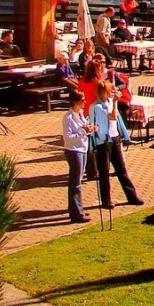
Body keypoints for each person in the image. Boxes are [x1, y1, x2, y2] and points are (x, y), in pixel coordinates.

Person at [88, 80, 144, 209]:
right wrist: (115, 102)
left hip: (115, 139)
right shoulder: (97, 107)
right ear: (102, 92)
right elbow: (112, 116)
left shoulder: (108, 102)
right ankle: (106, 201)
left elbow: (116, 118)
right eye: (108, 91)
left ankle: (132, 196)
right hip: (103, 142)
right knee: (104, 172)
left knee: (121, 170)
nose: (111, 93)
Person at [62, 91, 96, 223]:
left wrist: (90, 129)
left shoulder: (80, 114)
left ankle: (79, 209)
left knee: (79, 181)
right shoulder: (68, 118)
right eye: (82, 100)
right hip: (74, 151)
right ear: (75, 102)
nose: (85, 102)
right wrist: (84, 132)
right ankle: (76, 213)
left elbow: (84, 130)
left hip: (83, 149)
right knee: (75, 183)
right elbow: (68, 138)